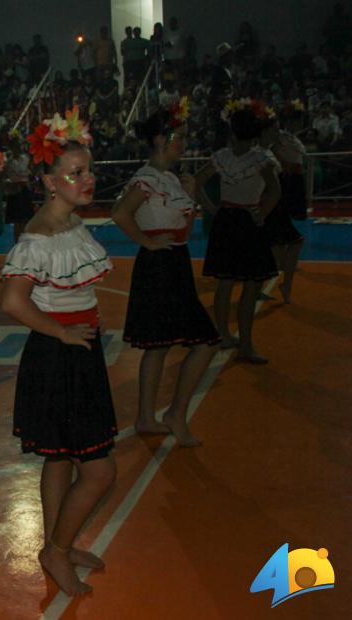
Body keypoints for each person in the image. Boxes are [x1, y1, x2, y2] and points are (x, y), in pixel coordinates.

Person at [2, 109, 116, 597]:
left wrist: (82, 320)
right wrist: (64, 333)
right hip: (60, 358)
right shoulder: (40, 236)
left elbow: (66, 292)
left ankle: (60, 547)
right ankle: (55, 549)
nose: (87, 180)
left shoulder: (67, 222)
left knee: (61, 459)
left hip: (74, 350)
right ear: (50, 181)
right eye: (75, 173)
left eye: (89, 170)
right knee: (100, 470)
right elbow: (11, 301)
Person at [111, 103, 220, 447]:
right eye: (180, 137)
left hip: (175, 259)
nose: (184, 144)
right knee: (202, 343)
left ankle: (148, 416)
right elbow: (119, 213)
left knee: (160, 345)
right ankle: (173, 414)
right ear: (160, 139)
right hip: (159, 263)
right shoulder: (147, 178)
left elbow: (184, 233)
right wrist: (146, 241)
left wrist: (189, 198)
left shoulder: (172, 180)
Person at [196, 100, 281, 364]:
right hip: (247, 220)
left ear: (232, 132)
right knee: (251, 285)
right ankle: (245, 344)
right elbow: (275, 191)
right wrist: (261, 213)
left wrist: (212, 210)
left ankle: (223, 334)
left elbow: (196, 182)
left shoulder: (221, 157)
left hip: (226, 220)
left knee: (225, 283)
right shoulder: (261, 159)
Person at [261, 106, 306, 303]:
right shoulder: (267, 150)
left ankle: (281, 283)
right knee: (284, 244)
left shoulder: (278, 145)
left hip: (279, 197)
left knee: (279, 246)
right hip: (274, 198)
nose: (276, 132)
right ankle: (280, 283)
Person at [1, 137, 34, 241]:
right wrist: (8, 186)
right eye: (15, 145)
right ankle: (17, 247)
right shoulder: (10, 162)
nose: (18, 147)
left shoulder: (27, 159)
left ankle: (24, 247)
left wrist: (32, 182)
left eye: (19, 144)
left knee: (26, 223)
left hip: (25, 191)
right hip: (15, 192)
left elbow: (33, 174)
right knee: (17, 223)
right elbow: (0, 179)